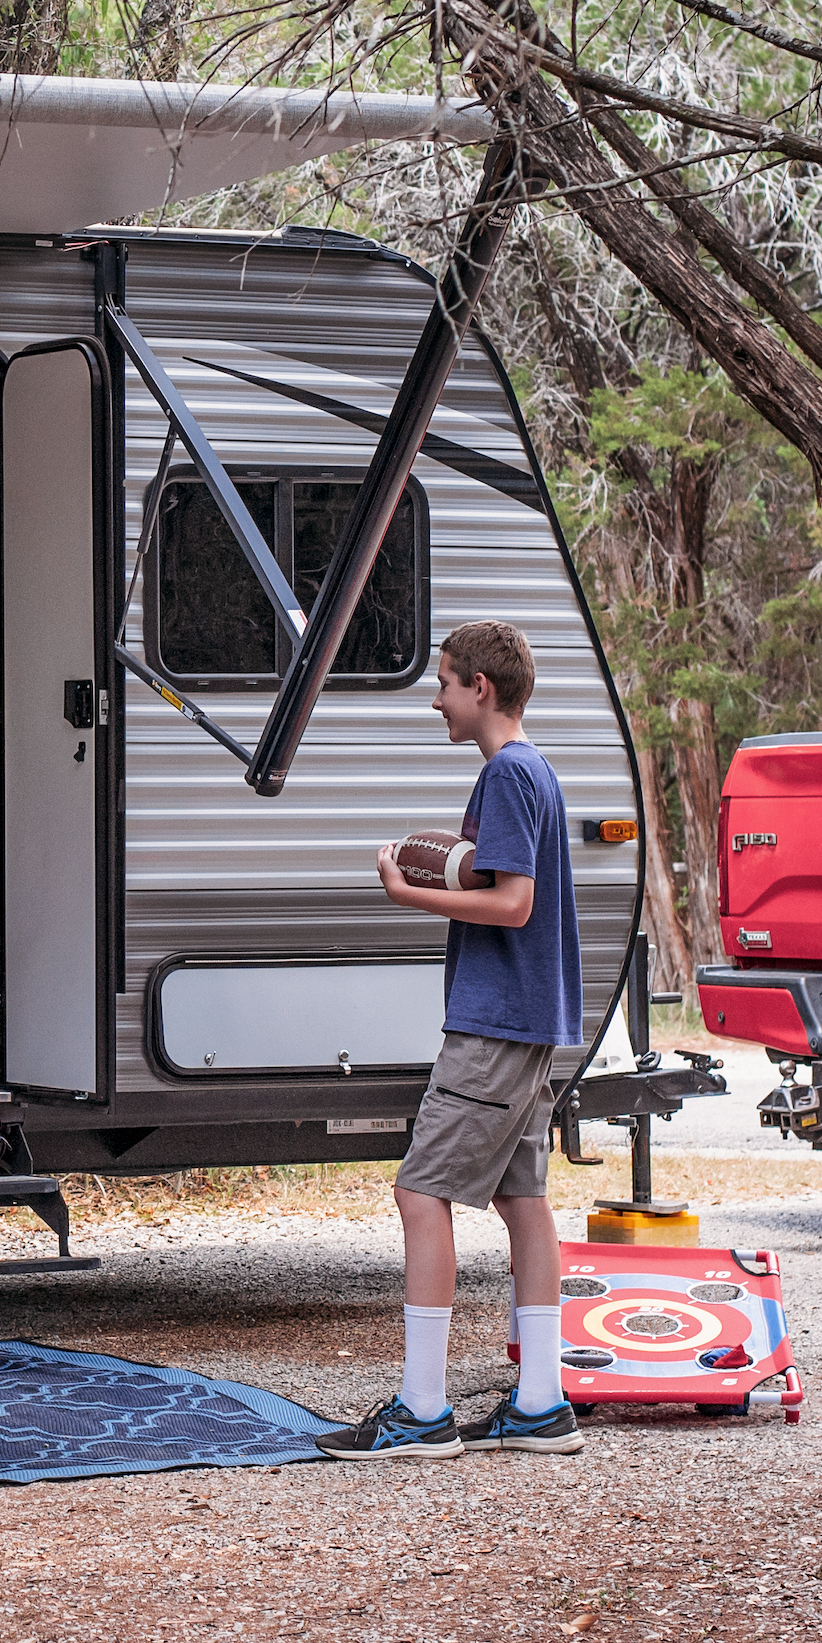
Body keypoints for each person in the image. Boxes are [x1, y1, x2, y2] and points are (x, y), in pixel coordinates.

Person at [320, 618, 587, 1460]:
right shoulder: (533, 770)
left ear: (482, 688)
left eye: (443, 682)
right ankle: (542, 1402)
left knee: (419, 1192)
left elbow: (514, 903)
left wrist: (411, 895)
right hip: (532, 1021)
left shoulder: (507, 775)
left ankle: (423, 1411)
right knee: (521, 1201)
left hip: (495, 1023)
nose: (435, 699)